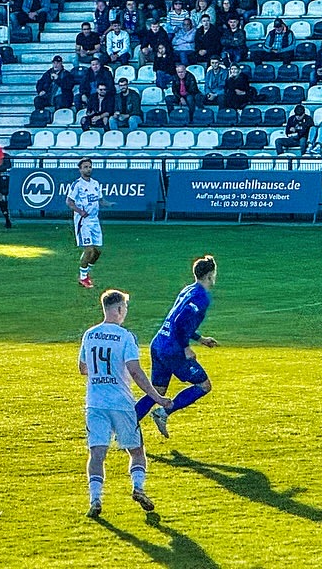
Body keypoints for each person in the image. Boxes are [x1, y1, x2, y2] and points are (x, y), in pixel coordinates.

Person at [80, 288, 172, 518]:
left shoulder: (90, 335)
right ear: (119, 309)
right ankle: (138, 488)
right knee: (137, 451)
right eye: (125, 308)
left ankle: (95, 499)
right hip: (121, 403)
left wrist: (101, 374)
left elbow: (83, 368)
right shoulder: (125, 337)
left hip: (95, 403)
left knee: (97, 453)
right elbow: (136, 372)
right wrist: (157, 397)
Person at [133, 256, 219, 440]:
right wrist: (186, 347)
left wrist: (200, 339)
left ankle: (127, 426)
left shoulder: (188, 290)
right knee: (204, 385)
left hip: (159, 343)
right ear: (210, 275)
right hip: (172, 349)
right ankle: (163, 413)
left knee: (157, 391)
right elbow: (180, 322)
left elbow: (178, 322)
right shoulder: (201, 297)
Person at [69, 158, 104, 288]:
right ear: (80, 170)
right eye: (85, 167)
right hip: (83, 221)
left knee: (97, 251)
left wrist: (109, 204)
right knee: (89, 249)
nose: (88, 169)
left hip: (95, 220)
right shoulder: (77, 185)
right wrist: (80, 211)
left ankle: (86, 272)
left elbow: (100, 200)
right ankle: (83, 277)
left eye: (90, 167)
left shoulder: (95, 183)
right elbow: (69, 201)